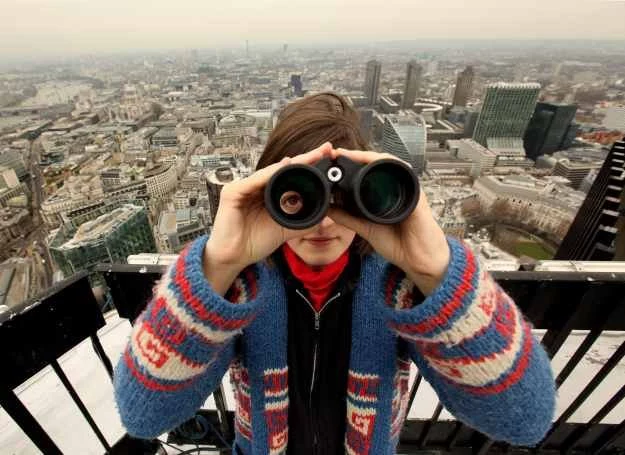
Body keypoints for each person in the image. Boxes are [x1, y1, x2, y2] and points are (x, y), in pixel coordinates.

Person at [113, 93, 556, 455]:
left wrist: (435, 271)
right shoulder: (238, 286)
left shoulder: (400, 286)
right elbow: (144, 416)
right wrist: (218, 264)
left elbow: (524, 419)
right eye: (299, 196)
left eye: (341, 197)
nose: (323, 221)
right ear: (266, 193)